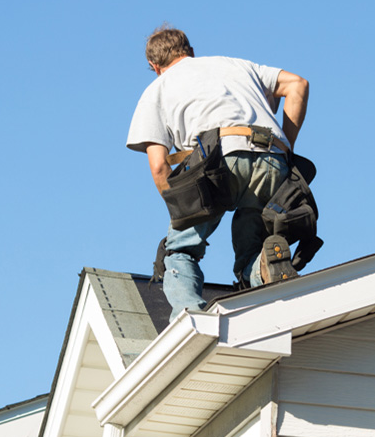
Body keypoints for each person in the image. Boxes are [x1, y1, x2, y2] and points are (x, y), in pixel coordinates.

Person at [126, 26, 310, 320]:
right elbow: (297, 84)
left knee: (181, 251)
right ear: (190, 51)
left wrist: (183, 213)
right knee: (250, 251)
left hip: (217, 158)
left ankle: (189, 318)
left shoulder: (157, 89)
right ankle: (265, 265)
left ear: (154, 66)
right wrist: (285, 147)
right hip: (271, 157)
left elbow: (159, 166)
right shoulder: (236, 65)